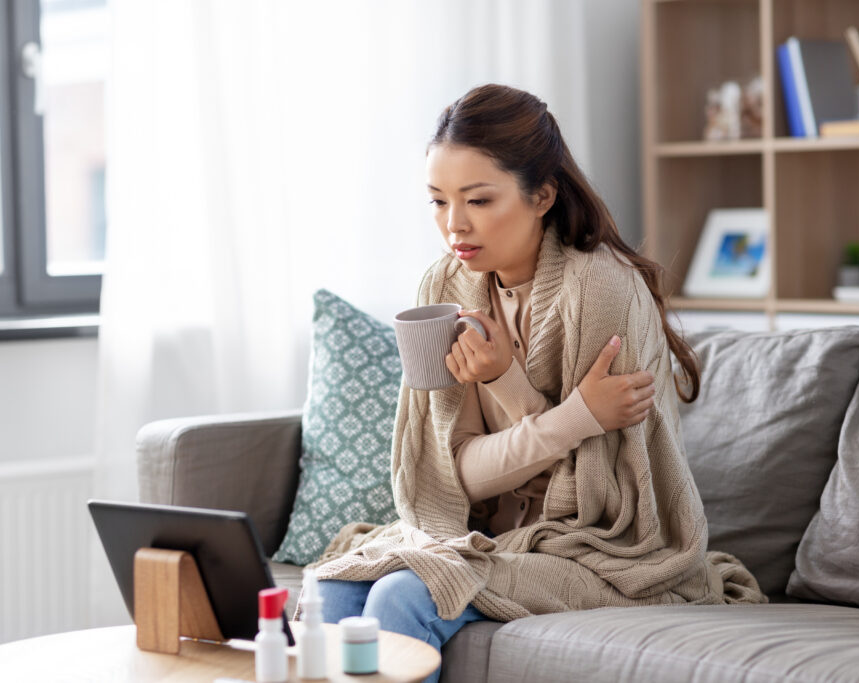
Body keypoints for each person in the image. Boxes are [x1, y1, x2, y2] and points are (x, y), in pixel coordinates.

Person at [312, 84, 765, 681]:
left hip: (597, 549)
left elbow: (593, 498)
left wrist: (504, 381)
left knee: (403, 596)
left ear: (542, 196)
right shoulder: (444, 289)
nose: (454, 225)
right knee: (333, 591)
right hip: (483, 537)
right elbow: (452, 477)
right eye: (438, 201)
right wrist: (574, 415)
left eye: (478, 200)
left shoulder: (598, 290)